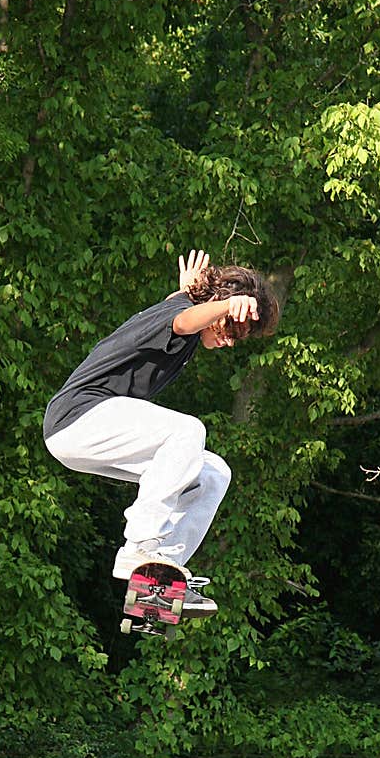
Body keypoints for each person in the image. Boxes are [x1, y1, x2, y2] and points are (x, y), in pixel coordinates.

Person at [43, 249, 279, 616]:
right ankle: (139, 547)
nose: (231, 341)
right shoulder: (179, 318)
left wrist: (196, 294)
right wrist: (224, 304)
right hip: (78, 416)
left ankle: (159, 578)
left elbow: (183, 308)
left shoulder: (178, 306)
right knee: (187, 430)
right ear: (217, 307)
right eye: (232, 328)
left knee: (214, 472)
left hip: (92, 428)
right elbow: (183, 320)